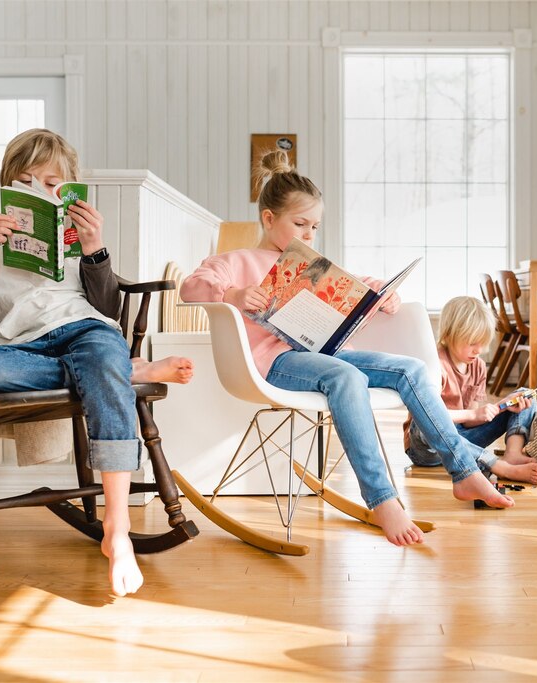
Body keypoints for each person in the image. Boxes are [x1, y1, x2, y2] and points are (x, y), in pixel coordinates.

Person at [180, 151, 514, 547]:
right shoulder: (235, 261)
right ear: (269, 218)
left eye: (314, 227)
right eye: (299, 224)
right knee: (346, 375)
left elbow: (354, 282)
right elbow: (190, 287)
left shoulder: (314, 263)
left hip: (326, 354)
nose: (308, 235)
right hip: (274, 364)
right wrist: (233, 293)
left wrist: (382, 295)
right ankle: (382, 498)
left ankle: (463, 470)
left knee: (411, 369)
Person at [0, 128, 195, 596]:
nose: (40, 191)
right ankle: (127, 371)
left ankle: (117, 528)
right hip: (22, 345)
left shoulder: (81, 241)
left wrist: (92, 247)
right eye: (27, 182)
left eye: (51, 184)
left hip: (84, 330)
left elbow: (109, 310)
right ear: (8, 185)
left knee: (103, 350)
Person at [404, 296, 537, 484]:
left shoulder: (478, 367)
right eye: (472, 343)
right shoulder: (434, 364)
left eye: (483, 343)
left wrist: (502, 406)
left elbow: (470, 423)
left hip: (464, 441)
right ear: (448, 335)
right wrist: (473, 414)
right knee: (422, 422)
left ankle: (513, 454)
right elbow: (430, 415)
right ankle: (497, 466)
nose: (479, 350)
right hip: (428, 449)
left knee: (525, 394)